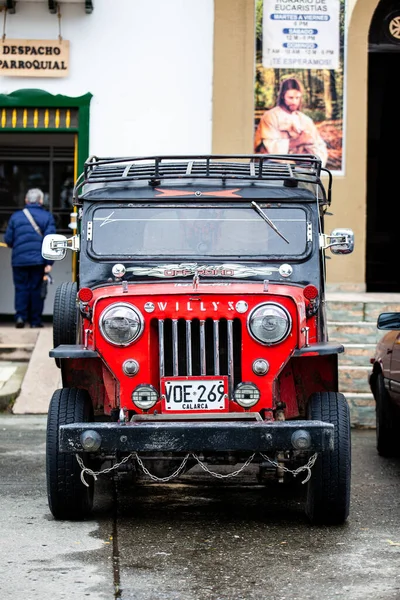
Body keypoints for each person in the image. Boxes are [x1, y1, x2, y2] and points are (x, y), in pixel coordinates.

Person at [4, 188, 56, 328]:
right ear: (41, 201)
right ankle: (35, 321)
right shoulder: (47, 217)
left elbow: (8, 239)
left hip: (19, 261)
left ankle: (20, 317)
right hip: (38, 261)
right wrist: (49, 262)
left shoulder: (16, 217)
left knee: (21, 288)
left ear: (26, 200)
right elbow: (50, 240)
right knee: (36, 290)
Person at [254, 77, 328, 167]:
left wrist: (312, 156)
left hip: (301, 169)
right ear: (282, 96)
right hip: (274, 167)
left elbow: (319, 147)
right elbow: (270, 148)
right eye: (290, 98)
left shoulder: (305, 120)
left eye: (297, 98)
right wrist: (299, 141)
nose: (294, 102)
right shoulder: (270, 116)